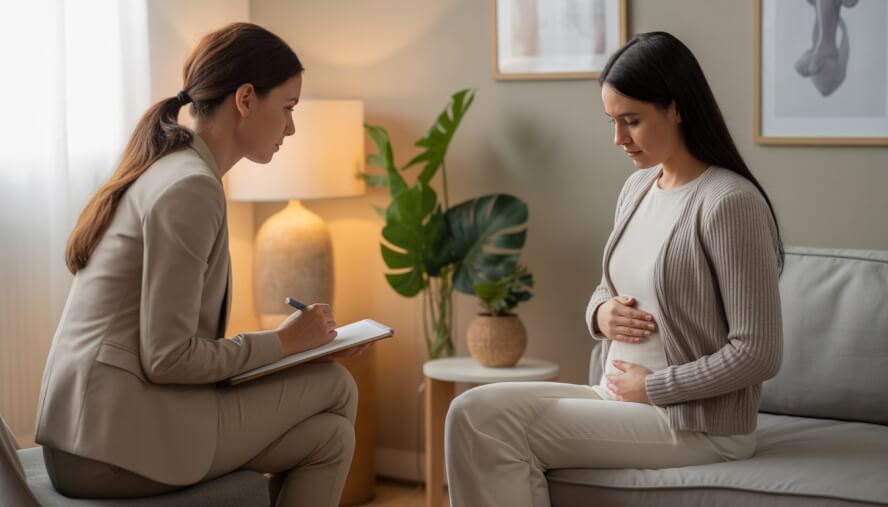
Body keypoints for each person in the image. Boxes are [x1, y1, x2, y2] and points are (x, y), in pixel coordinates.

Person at [445, 31, 784, 506]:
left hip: (694, 422)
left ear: (678, 107)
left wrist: (655, 387)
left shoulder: (729, 203)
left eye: (632, 121)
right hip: (614, 396)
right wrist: (601, 315)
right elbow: (608, 287)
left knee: (498, 432)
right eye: (613, 121)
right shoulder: (639, 188)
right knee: (469, 409)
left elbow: (759, 352)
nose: (618, 139)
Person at [35, 22, 367, 506]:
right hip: (109, 449)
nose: (291, 128)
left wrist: (292, 348)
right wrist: (284, 342)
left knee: (330, 440)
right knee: (335, 385)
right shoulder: (190, 187)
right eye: (288, 108)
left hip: (102, 431)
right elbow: (169, 356)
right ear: (247, 99)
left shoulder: (172, 166)